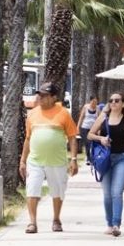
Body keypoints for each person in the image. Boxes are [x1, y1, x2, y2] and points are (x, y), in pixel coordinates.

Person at [19, 82, 79, 234]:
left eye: (45, 96)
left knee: (58, 191)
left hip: (57, 161)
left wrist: (73, 159)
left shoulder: (63, 113)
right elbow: (28, 138)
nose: (41, 98)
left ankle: (56, 219)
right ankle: (32, 222)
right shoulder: (32, 113)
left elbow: (72, 138)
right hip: (35, 160)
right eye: (40, 95)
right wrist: (23, 160)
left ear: (54, 97)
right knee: (32, 190)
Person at [87, 92, 124, 237]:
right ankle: (109, 224)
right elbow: (90, 134)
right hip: (105, 159)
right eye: (111, 100)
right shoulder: (103, 117)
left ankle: (116, 224)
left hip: (122, 158)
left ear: (123, 103)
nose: (113, 103)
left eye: (117, 100)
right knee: (107, 194)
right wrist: (101, 138)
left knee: (117, 193)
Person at [76, 95, 99, 165]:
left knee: (93, 143)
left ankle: (92, 157)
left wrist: (99, 129)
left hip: (93, 129)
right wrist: (77, 127)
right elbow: (81, 117)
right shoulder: (86, 107)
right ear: (90, 101)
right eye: (93, 102)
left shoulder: (98, 108)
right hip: (85, 127)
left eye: (96, 102)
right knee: (87, 143)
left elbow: (98, 119)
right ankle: (88, 158)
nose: (94, 104)